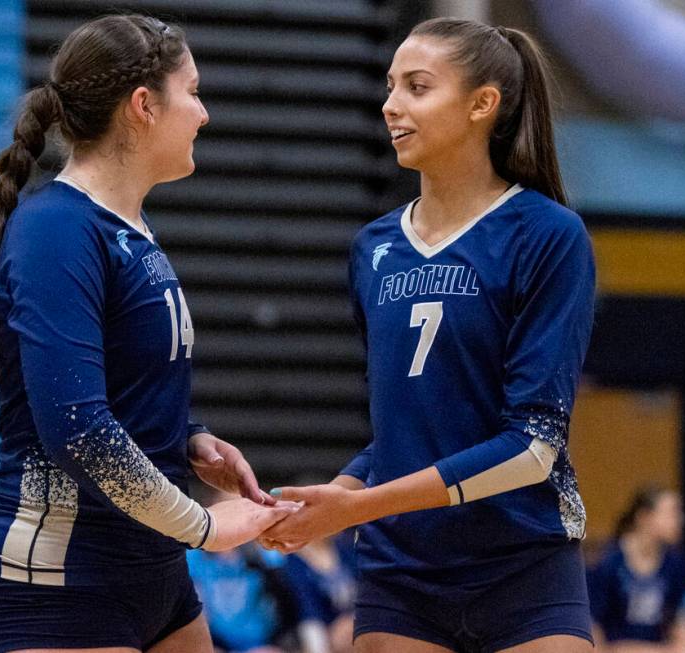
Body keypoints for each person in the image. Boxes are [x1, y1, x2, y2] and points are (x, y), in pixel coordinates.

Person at [0, 14, 293, 653]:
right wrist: (206, 527)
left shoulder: (130, 229)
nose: (204, 114)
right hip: (57, 585)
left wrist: (190, 437)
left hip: (152, 574)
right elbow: (80, 431)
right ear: (144, 106)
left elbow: (124, 383)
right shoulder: (57, 231)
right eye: (194, 92)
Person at [261, 17, 596, 653]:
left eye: (417, 87)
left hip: (523, 565)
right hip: (402, 575)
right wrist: (336, 495)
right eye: (389, 86)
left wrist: (357, 508)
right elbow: (405, 429)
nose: (390, 105)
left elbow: (534, 447)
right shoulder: (373, 248)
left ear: (481, 104)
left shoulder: (547, 235)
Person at [588, 487, 685, 653]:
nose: (681, 519)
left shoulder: (675, 563)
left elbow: (682, 619)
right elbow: (593, 625)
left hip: (658, 647)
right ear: (644, 517)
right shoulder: (607, 562)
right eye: (673, 513)